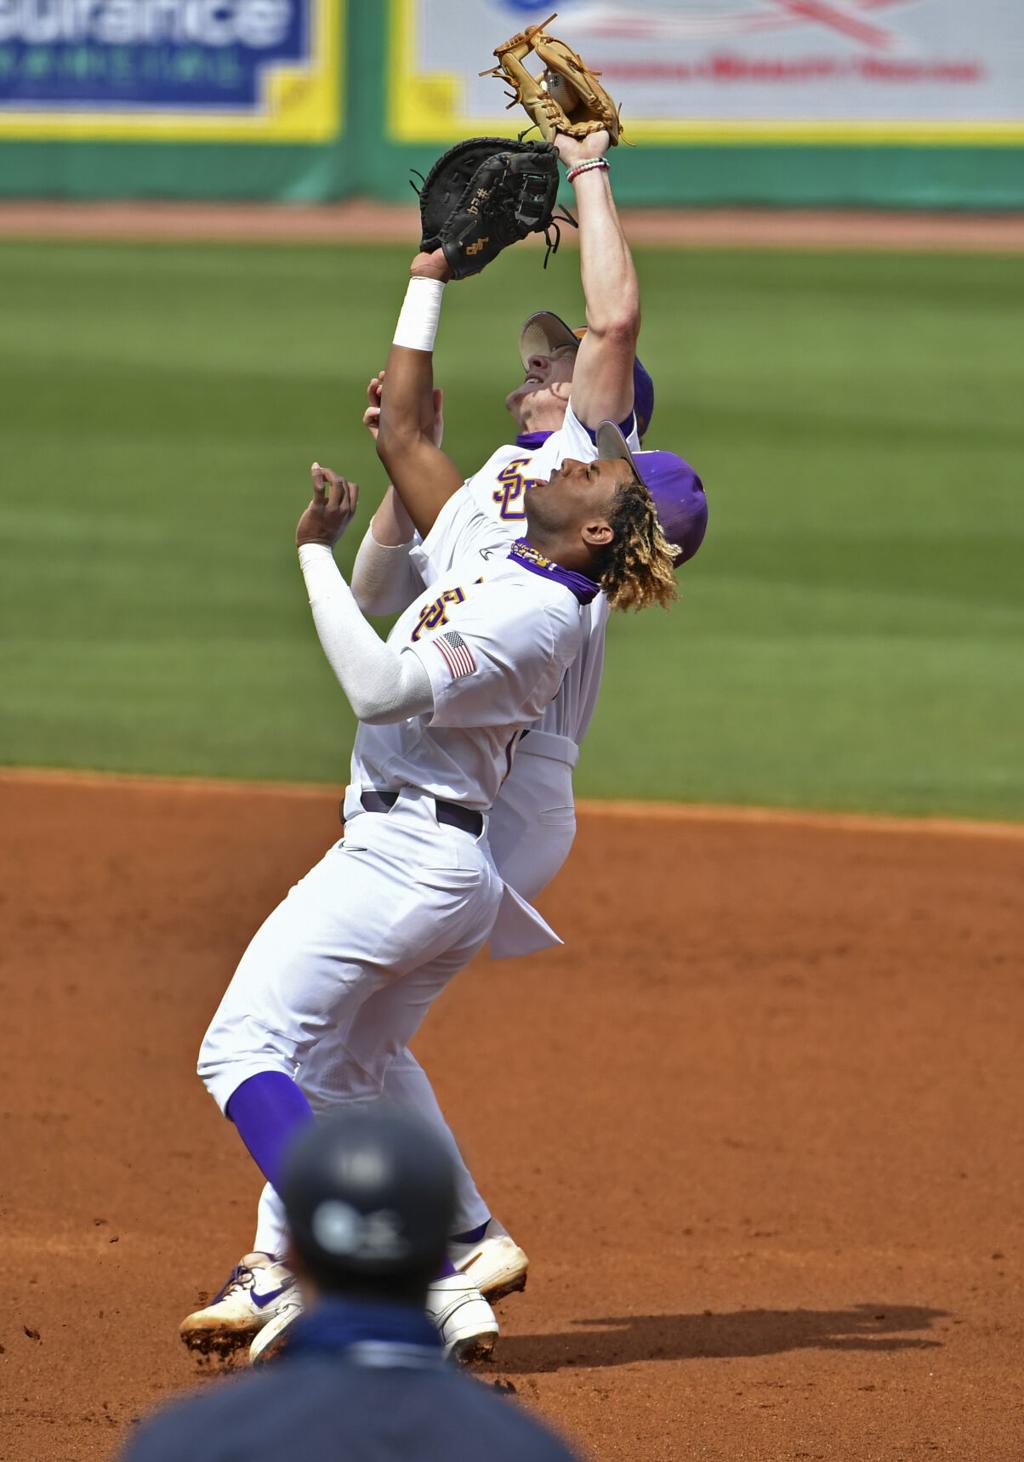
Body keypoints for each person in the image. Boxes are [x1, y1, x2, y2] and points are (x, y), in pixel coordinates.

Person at [182, 125, 708, 1362]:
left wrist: (588, 178)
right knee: (357, 1042)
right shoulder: (501, 501)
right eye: (536, 359)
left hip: (490, 803)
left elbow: (615, 325)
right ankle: (453, 1255)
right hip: (447, 796)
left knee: (294, 1039)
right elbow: (408, 426)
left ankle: (298, 1255)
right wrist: (424, 272)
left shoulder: (585, 471)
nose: (538, 369)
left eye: (556, 362)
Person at [126, 1111, 580, 1462]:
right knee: (356, 1051)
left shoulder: (185, 1441)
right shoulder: (529, 1449)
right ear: (443, 1243)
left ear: (293, 1251)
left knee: (251, 1049)